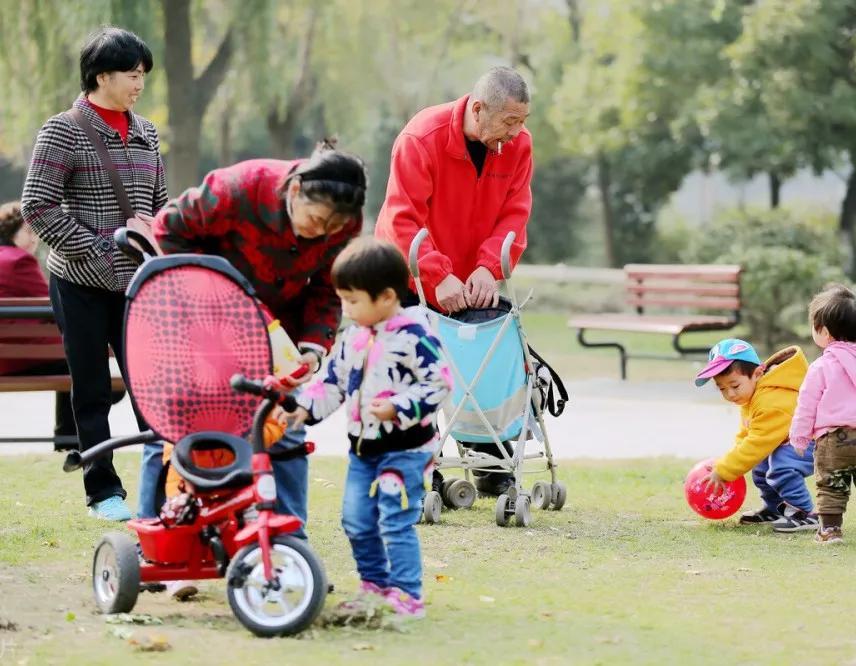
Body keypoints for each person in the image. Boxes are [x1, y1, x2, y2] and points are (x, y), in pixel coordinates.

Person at [152, 140, 367, 538]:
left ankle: (288, 539)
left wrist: (313, 346)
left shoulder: (343, 223)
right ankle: (161, 530)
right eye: (316, 220)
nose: (321, 233)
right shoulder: (237, 189)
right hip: (205, 323)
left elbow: (327, 286)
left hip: (277, 335)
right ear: (295, 190)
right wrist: (215, 291)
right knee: (176, 427)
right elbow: (167, 229)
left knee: (286, 426)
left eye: (333, 228)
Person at [21, 27, 167, 521]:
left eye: (143, 74)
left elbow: (160, 203)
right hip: (79, 282)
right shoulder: (62, 130)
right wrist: (99, 248)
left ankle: (165, 487)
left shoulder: (147, 132)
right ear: (102, 76)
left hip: (138, 283)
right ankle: (103, 492)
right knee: (91, 391)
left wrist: (159, 238)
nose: (139, 83)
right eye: (132, 74)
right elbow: (38, 206)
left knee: (152, 387)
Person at [374, 66, 533, 497]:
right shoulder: (421, 137)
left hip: (472, 276)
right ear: (478, 109)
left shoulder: (518, 145)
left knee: (480, 368)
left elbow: (515, 213)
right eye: (509, 121)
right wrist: (436, 274)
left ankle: (490, 459)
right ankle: (420, 466)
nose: (516, 133)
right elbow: (402, 217)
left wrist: (489, 267)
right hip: (409, 273)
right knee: (413, 372)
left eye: (522, 122)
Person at [284, 237, 452, 618]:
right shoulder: (352, 339)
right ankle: (373, 585)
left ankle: (406, 594)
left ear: (387, 297)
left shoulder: (415, 336)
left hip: (407, 451)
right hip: (363, 451)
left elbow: (439, 383)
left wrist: (399, 407)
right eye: (343, 300)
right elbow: (332, 384)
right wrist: (302, 408)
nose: (346, 309)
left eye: (353, 301)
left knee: (395, 519)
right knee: (356, 520)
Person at [695, 338, 817, 532]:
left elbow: (757, 443)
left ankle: (805, 512)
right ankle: (775, 508)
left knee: (782, 468)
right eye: (722, 388)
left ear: (758, 374)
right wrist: (727, 462)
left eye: (735, 386)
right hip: (787, 441)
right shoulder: (751, 397)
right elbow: (745, 437)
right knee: (760, 468)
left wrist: (726, 469)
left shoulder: (770, 401)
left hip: (815, 441)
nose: (730, 394)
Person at [0, 202, 75, 445]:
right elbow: (51, 305)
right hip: (22, 358)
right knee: (77, 360)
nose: (35, 239)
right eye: (29, 231)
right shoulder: (18, 261)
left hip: (8, 356)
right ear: (10, 231)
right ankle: (67, 439)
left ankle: (67, 438)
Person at [789, 284, 856, 544]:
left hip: (833, 439)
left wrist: (799, 437)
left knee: (831, 485)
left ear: (824, 332)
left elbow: (806, 405)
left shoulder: (821, 366)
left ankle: (830, 530)